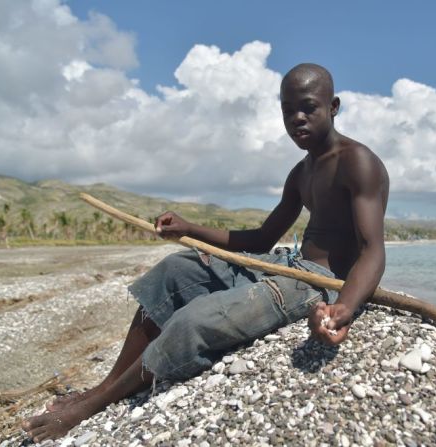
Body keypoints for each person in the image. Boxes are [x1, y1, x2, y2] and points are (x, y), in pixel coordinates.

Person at [22, 63, 389, 442]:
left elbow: (373, 251)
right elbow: (263, 238)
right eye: (287, 110)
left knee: (194, 319)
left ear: (334, 106)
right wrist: (189, 229)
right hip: (288, 265)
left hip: (320, 282)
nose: (296, 118)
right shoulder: (302, 172)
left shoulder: (356, 162)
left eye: (308, 107)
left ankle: (93, 405)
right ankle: (105, 385)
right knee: (174, 271)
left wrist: (342, 309)